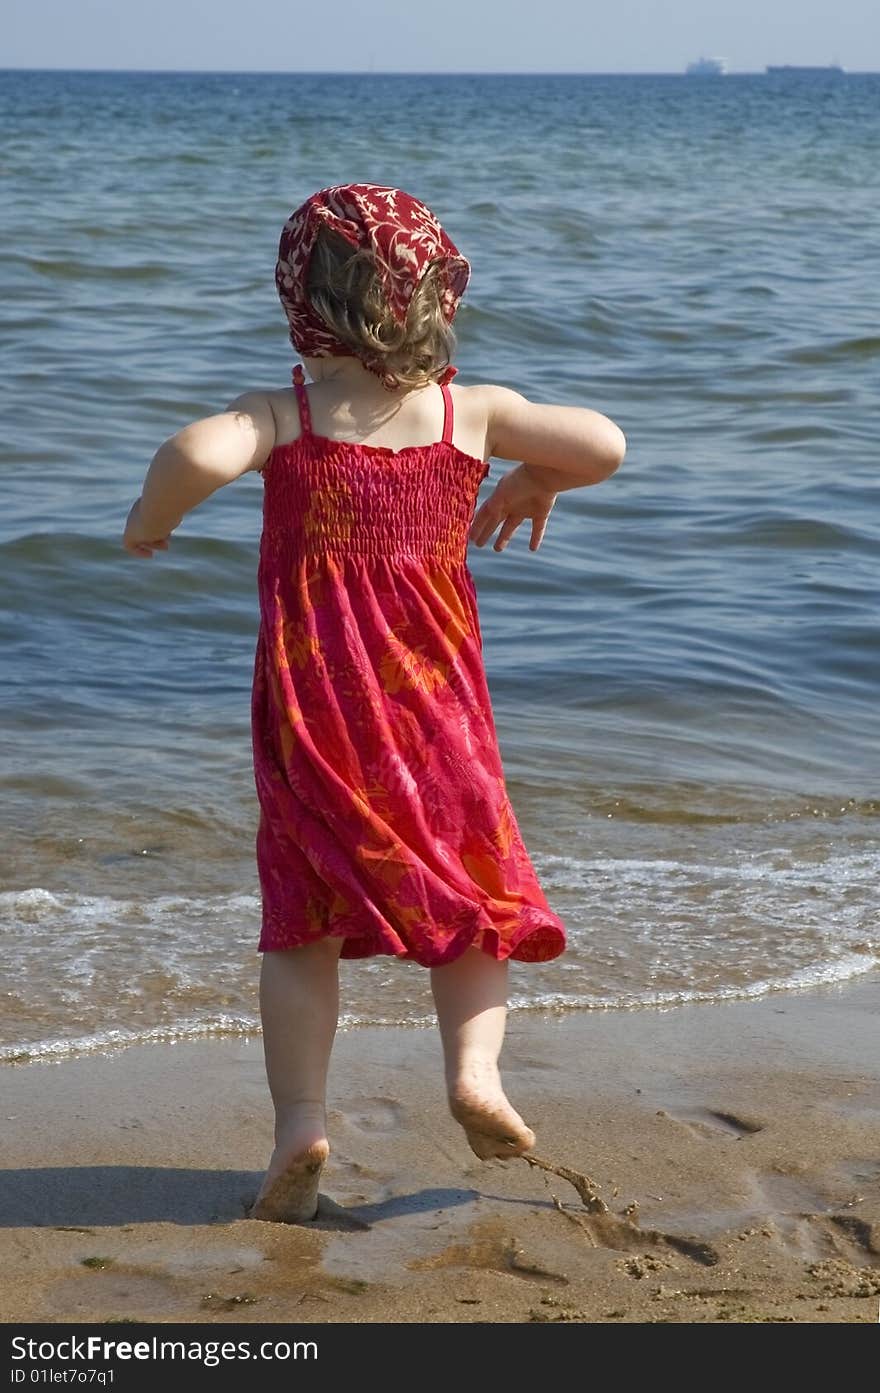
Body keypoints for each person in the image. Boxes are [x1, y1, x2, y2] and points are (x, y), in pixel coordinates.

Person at [123, 183, 625, 1223]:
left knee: (301, 924)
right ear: (436, 295)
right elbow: (603, 442)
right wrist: (536, 480)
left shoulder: (283, 416)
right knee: (473, 901)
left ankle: (301, 1119)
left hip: (315, 718)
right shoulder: (469, 413)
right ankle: (474, 1075)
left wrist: (148, 517)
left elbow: (192, 454)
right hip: (439, 712)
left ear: (300, 303)